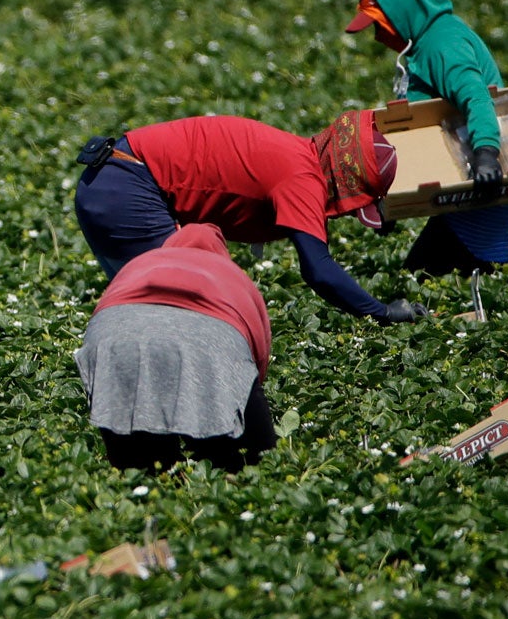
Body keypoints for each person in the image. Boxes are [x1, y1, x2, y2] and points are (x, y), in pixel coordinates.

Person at [73, 108, 427, 324]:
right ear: (343, 180)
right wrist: (381, 313)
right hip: (129, 189)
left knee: (142, 309)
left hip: (106, 177)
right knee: (182, 313)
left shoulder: (296, 152)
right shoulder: (304, 180)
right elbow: (319, 271)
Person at [346, 0, 508, 275]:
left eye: (380, 23)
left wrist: (485, 153)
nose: (377, 34)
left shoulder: (444, 45)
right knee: (432, 275)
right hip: (464, 176)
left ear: (405, 10)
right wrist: (390, 202)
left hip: (484, 176)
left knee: (429, 277)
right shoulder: (425, 45)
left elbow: (477, 99)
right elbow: (421, 131)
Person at [75, 224, 276, 473]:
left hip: (116, 336)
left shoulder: (143, 261)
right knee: (249, 462)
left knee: (140, 468)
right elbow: (258, 352)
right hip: (207, 339)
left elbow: (104, 313)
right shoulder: (231, 272)